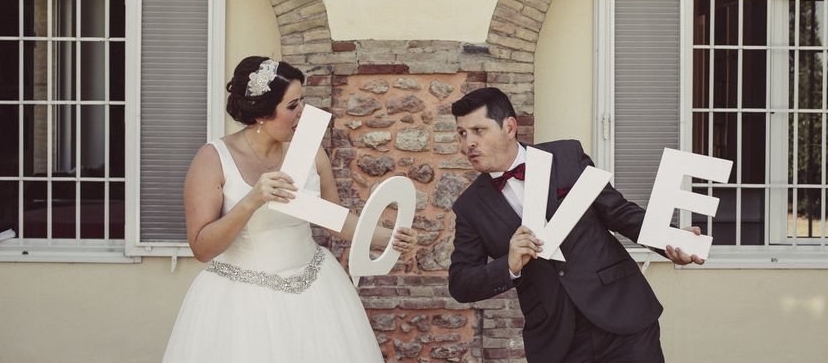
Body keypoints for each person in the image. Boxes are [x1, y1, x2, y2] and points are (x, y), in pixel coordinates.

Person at [163, 56, 417, 363]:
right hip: (241, 304)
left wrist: (388, 239)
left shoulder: (309, 149)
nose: (302, 114)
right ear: (261, 114)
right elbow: (202, 248)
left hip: (316, 294)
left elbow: (335, 220)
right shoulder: (213, 158)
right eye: (292, 106)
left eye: (302, 103)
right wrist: (252, 200)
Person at [447, 87, 704, 363]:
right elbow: (461, 284)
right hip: (557, 342)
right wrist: (507, 266)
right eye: (462, 133)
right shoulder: (469, 207)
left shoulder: (567, 156)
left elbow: (617, 211)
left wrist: (668, 238)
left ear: (509, 127)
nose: (468, 143)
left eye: (478, 130)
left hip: (623, 316)